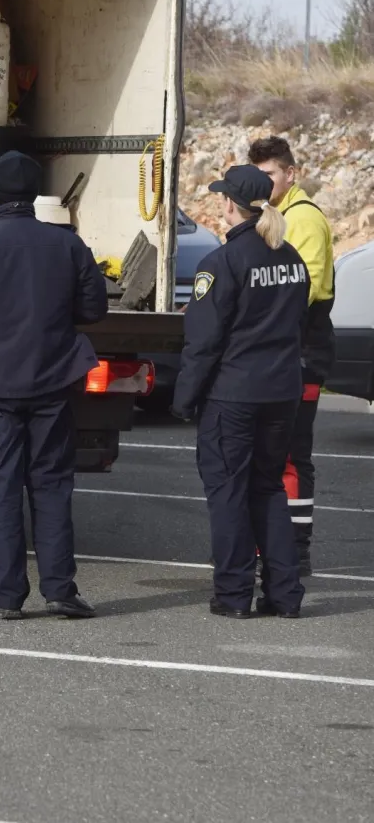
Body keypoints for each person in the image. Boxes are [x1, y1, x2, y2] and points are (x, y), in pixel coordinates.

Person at [0, 151, 108, 620]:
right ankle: (60, 589)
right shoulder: (68, 244)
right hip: (52, 380)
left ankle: (8, 596)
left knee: (1, 486)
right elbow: (94, 309)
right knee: (51, 484)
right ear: (33, 194)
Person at [172, 166, 309, 618]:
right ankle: (284, 595)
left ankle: (233, 595)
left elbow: (203, 341)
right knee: (268, 488)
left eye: (222, 197)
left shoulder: (223, 262)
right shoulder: (291, 257)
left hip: (234, 395)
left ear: (230, 204)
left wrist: (184, 399)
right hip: (281, 392)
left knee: (228, 494)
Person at [248, 136, 335, 576]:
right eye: (258, 176)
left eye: (270, 175)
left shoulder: (304, 219)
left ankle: (296, 550)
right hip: (284, 351)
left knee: (291, 454)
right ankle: (270, 545)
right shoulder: (278, 215)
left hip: (303, 353)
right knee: (272, 453)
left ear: (290, 173)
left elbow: (310, 287)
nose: (264, 184)